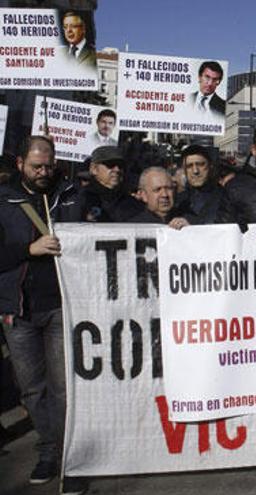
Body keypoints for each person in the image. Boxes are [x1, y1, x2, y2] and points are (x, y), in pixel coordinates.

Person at [0, 136, 88, 494]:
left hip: (60, 306)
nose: (43, 172)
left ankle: (70, 457)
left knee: (65, 388)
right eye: (36, 166)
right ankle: (48, 450)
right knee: (33, 390)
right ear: (20, 163)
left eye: (48, 165)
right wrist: (28, 248)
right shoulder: (4, 201)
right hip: (19, 310)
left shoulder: (69, 194)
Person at [82, 146, 143, 222]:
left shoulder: (134, 204)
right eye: (110, 164)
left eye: (121, 165)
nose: (117, 170)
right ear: (94, 169)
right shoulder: (80, 199)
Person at [129, 167, 193, 229]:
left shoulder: (189, 220)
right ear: (144, 195)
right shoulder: (133, 226)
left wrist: (189, 230)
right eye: (157, 190)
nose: (165, 195)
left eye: (169, 188)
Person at [177, 145, 222, 224]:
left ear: (210, 166)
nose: (195, 171)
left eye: (200, 164)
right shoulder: (178, 202)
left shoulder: (228, 199)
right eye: (189, 166)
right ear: (184, 170)